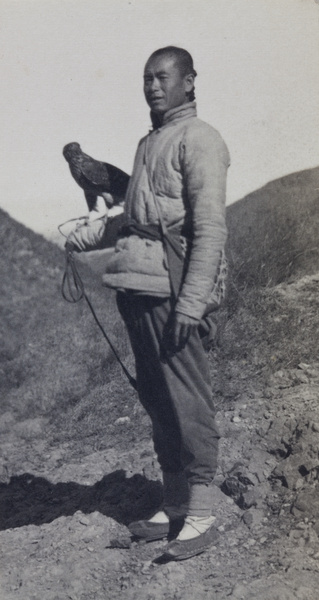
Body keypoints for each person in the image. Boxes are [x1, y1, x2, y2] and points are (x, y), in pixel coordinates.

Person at [67, 46, 230, 560]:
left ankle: (203, 513)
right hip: (136, 285)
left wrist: (191, 304)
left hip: (175, 287)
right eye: (146, 78)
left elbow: (209, 230)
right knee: (157, 397)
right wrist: (89, 236)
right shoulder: (147, 143)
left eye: (163, 77)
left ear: (189, 82)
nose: (153, 86)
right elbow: (137, 216)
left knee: (188, 398)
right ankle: (177, 501)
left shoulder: (200, 139)